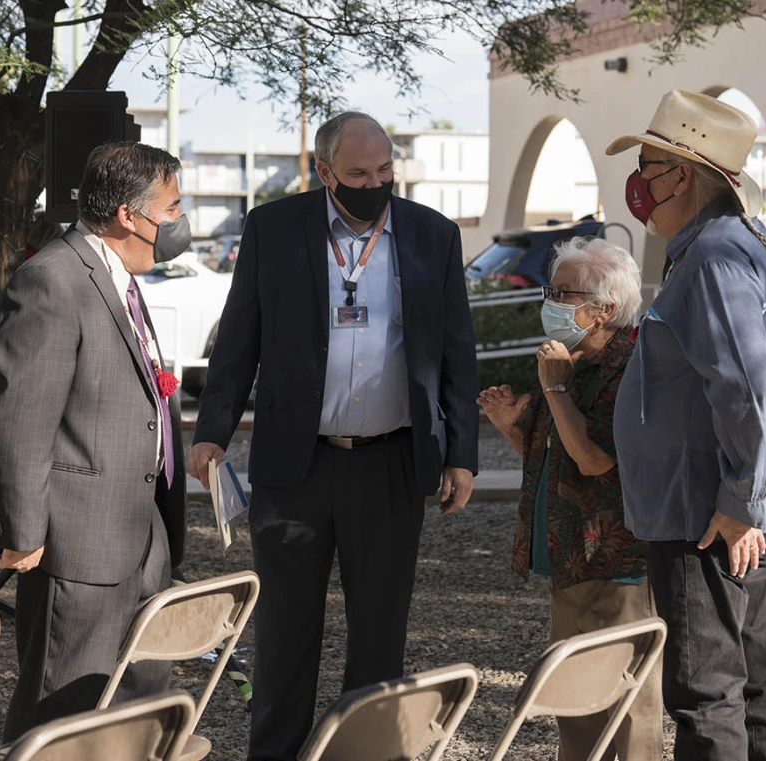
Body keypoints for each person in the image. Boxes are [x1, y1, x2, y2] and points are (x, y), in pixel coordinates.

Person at [188, 111, 479, 761]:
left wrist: (461, 454)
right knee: (286, 635)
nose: (373, 184)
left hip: (391, 464)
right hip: (297, 466)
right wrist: (212, 432)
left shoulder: (432, 235)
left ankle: (366, 752)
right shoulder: (275, 229)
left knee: (380, 637)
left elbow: (457, 349)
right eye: (357, 174)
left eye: (384, 172)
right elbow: (239, 340)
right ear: (324, 173)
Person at [606, 90, 766, 760]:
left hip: (701, 514)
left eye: (649, 166)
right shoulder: (745, 246)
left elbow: (753, 384)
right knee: (754, 679)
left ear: (684, 175)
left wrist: (741, 500)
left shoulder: (712, 258)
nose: (639, 184)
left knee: (706, 693)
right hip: (726, 508)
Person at [0, 141, 192, 741]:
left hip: (142, 534)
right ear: (127, 215)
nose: (178, 222)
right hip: (77, 544)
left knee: (137, 710)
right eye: (171, 209)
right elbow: (20, 416)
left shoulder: (121, 276)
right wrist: (23, 532)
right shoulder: (52, 280)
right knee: (61, 715)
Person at [478, 237, 661, 761]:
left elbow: (595, 460)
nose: (551, 303)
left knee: (628, 707)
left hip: (619, 562)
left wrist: (554, 390)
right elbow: (556, 456)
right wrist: (511, 426)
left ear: (604, 308)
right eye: (551, 290)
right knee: (575, 703)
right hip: (569, 559)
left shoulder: (631, 367)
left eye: (565, 293)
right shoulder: (572, 360)